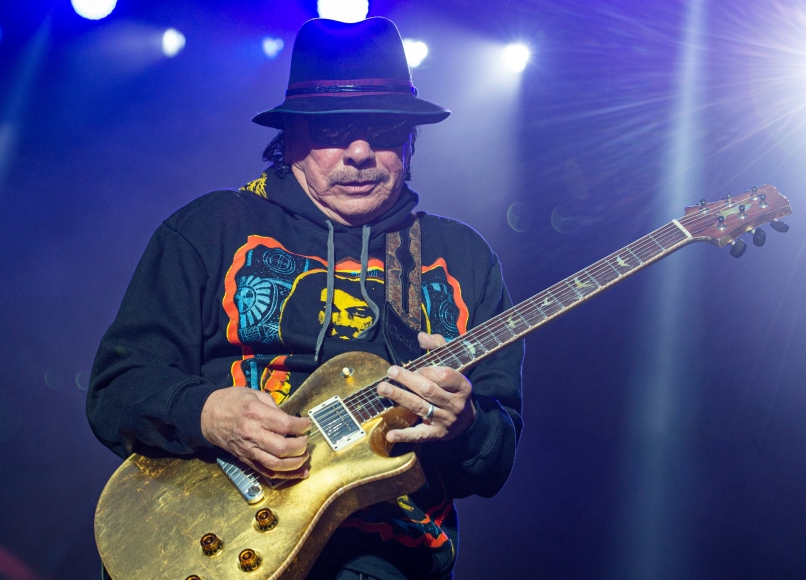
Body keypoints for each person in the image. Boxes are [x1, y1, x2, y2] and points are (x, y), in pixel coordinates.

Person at [88, 16, 524, 580]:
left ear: (410, 142)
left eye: (386, 131)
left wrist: (465, 425)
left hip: (385, 560)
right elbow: (114, 390)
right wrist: (207, 412)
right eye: (336, 129)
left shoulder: (462, 257)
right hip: (212, 544)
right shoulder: (210, 228)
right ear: (290, 136)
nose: (362, 151)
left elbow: (497, 463)